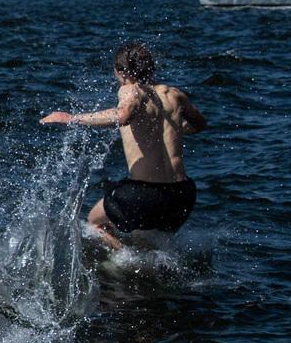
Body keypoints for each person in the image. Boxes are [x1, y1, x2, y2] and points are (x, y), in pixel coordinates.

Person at [40, 41, 205, 249]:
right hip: (182, 195)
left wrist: (71, 118)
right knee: (148, 235)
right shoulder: (175, 94)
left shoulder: (130, 90)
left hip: (144, 193)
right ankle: (156, 264)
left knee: (93, 222)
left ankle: (126, 259)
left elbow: (123, 115)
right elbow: (199, 124)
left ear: (121, 71)